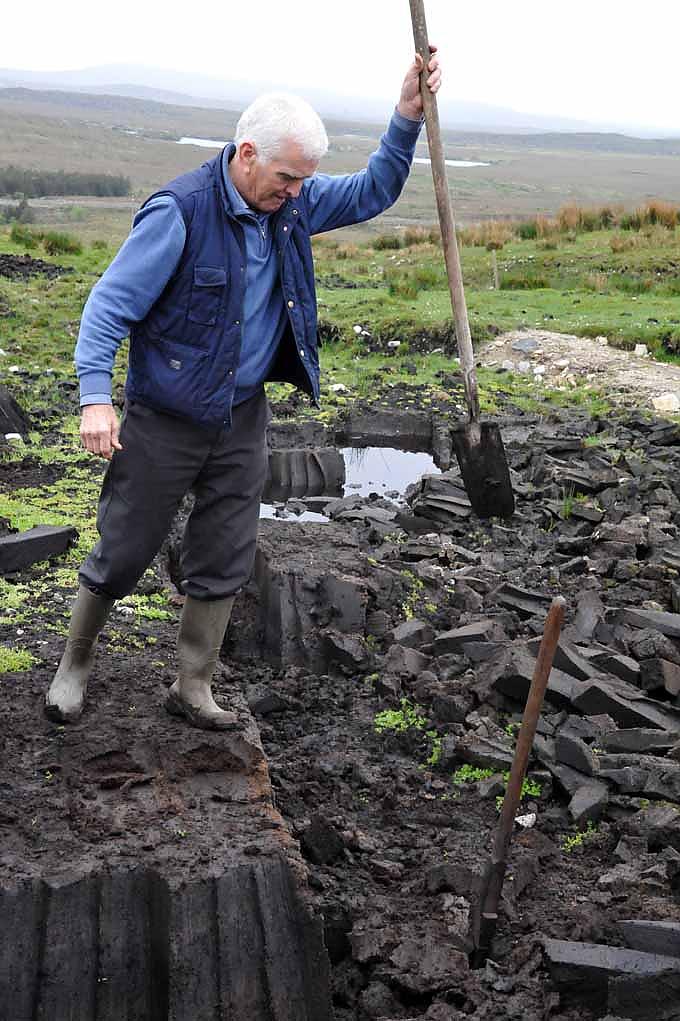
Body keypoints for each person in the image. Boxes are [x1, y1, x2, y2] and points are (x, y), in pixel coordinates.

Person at [44, 48, 442, 730]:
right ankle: (73, 667)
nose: (295, 193)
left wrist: (405, 116)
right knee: (126, 544)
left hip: (242, 415)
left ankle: (193, 685)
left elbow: (375, 188)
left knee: (226, 549)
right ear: (248, 153)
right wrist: (95, 397)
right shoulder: (180, 213)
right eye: (286, 178)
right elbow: (109, 306)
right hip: (165, 417)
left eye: (302, 183)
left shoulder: (291, 203)